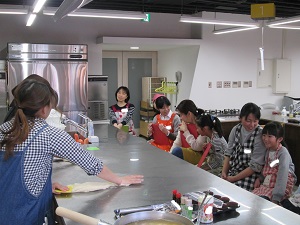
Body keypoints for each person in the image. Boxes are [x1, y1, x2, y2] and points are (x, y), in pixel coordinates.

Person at [0, 78, 143, 225]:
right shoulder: (50, 135)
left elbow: (12, 174)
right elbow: (91, 164)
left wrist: (43, 185)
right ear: (44, 109)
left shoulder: (3, 130)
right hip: (25, 217)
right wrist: (120, 180)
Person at [221, 102, 265, 191]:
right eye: (248, 121)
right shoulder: (236, 129)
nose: (252, 125)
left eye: (255, 121)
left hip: (250, 175)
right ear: (240, 118)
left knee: (233, 190)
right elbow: (228, 153)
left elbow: (255, 166)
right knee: (219, 185)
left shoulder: (259, 134)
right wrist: (224, 173)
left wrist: (233, 179)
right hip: (234, 170)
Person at [252, 122, 296, 204]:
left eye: (269, 136)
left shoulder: (283, 153)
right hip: (269, 182)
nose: (265, 139)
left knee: (263, 201)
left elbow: (282, 176)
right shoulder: (268, 150)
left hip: (281, 185)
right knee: (254, 197)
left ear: (279, 139)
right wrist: (260, 178)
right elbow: (267, 167)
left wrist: (276, 197)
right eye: (264, 135)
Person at [170, 99, 208, 164]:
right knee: (173, 153)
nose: (180, 118)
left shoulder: (202, 124)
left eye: (181, 115)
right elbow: (177, 143)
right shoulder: (185, 124)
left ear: (189, 114)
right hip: (189, 153)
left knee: (177, 151)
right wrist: (169, 156)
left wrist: (186, 131)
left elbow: (197, 147)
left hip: (201, 155)